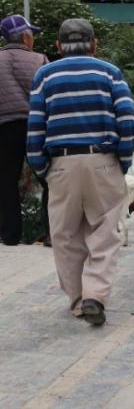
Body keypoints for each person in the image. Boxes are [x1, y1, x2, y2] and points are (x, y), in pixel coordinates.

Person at [27, 18, 134, 326]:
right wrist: (122, 162)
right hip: (103, 161)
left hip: (61, 164)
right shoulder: (109, 72)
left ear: (58, 46)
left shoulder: (44, 76)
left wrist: (41, 168)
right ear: (94, 44)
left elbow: (35, 127)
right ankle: (95, 296)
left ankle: (77, 303)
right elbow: (126, 118)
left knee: (65, 237)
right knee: (104, 234)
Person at [0, 15, 47, 246]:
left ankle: (10, 235)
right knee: (48, 177)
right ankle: (51, 232)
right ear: (26, 37)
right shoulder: (40, 60)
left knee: (6, 181)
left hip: (5, 127)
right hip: (36, 126)